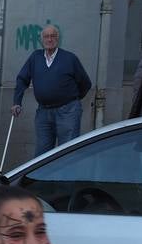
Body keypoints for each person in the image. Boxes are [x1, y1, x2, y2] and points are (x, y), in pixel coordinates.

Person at [10, 25, 92, 157]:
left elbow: (85, 83)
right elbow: (22, 79)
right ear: (42, 40)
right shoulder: (35, 58)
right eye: (46, 37)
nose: (49, 39)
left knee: (67, 151)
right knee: (42, 154)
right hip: (43, 112)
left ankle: (65, 178)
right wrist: (17, 102)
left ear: (58, 39)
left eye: (52, 36)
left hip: (67, 111)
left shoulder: (69, 58)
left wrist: (72, 99)